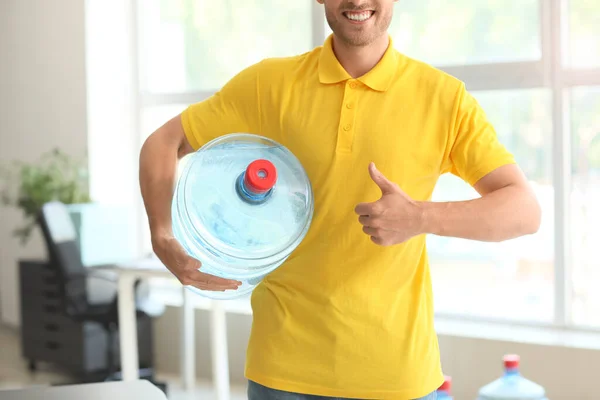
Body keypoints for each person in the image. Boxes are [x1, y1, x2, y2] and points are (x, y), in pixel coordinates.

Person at [139, 0, 542, 398]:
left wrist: (420, 217)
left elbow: (524, 210)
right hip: (283, 371)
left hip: (394, 376)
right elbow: (164, 142)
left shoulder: (444, 99)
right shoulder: (268, 85)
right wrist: (162, 236)